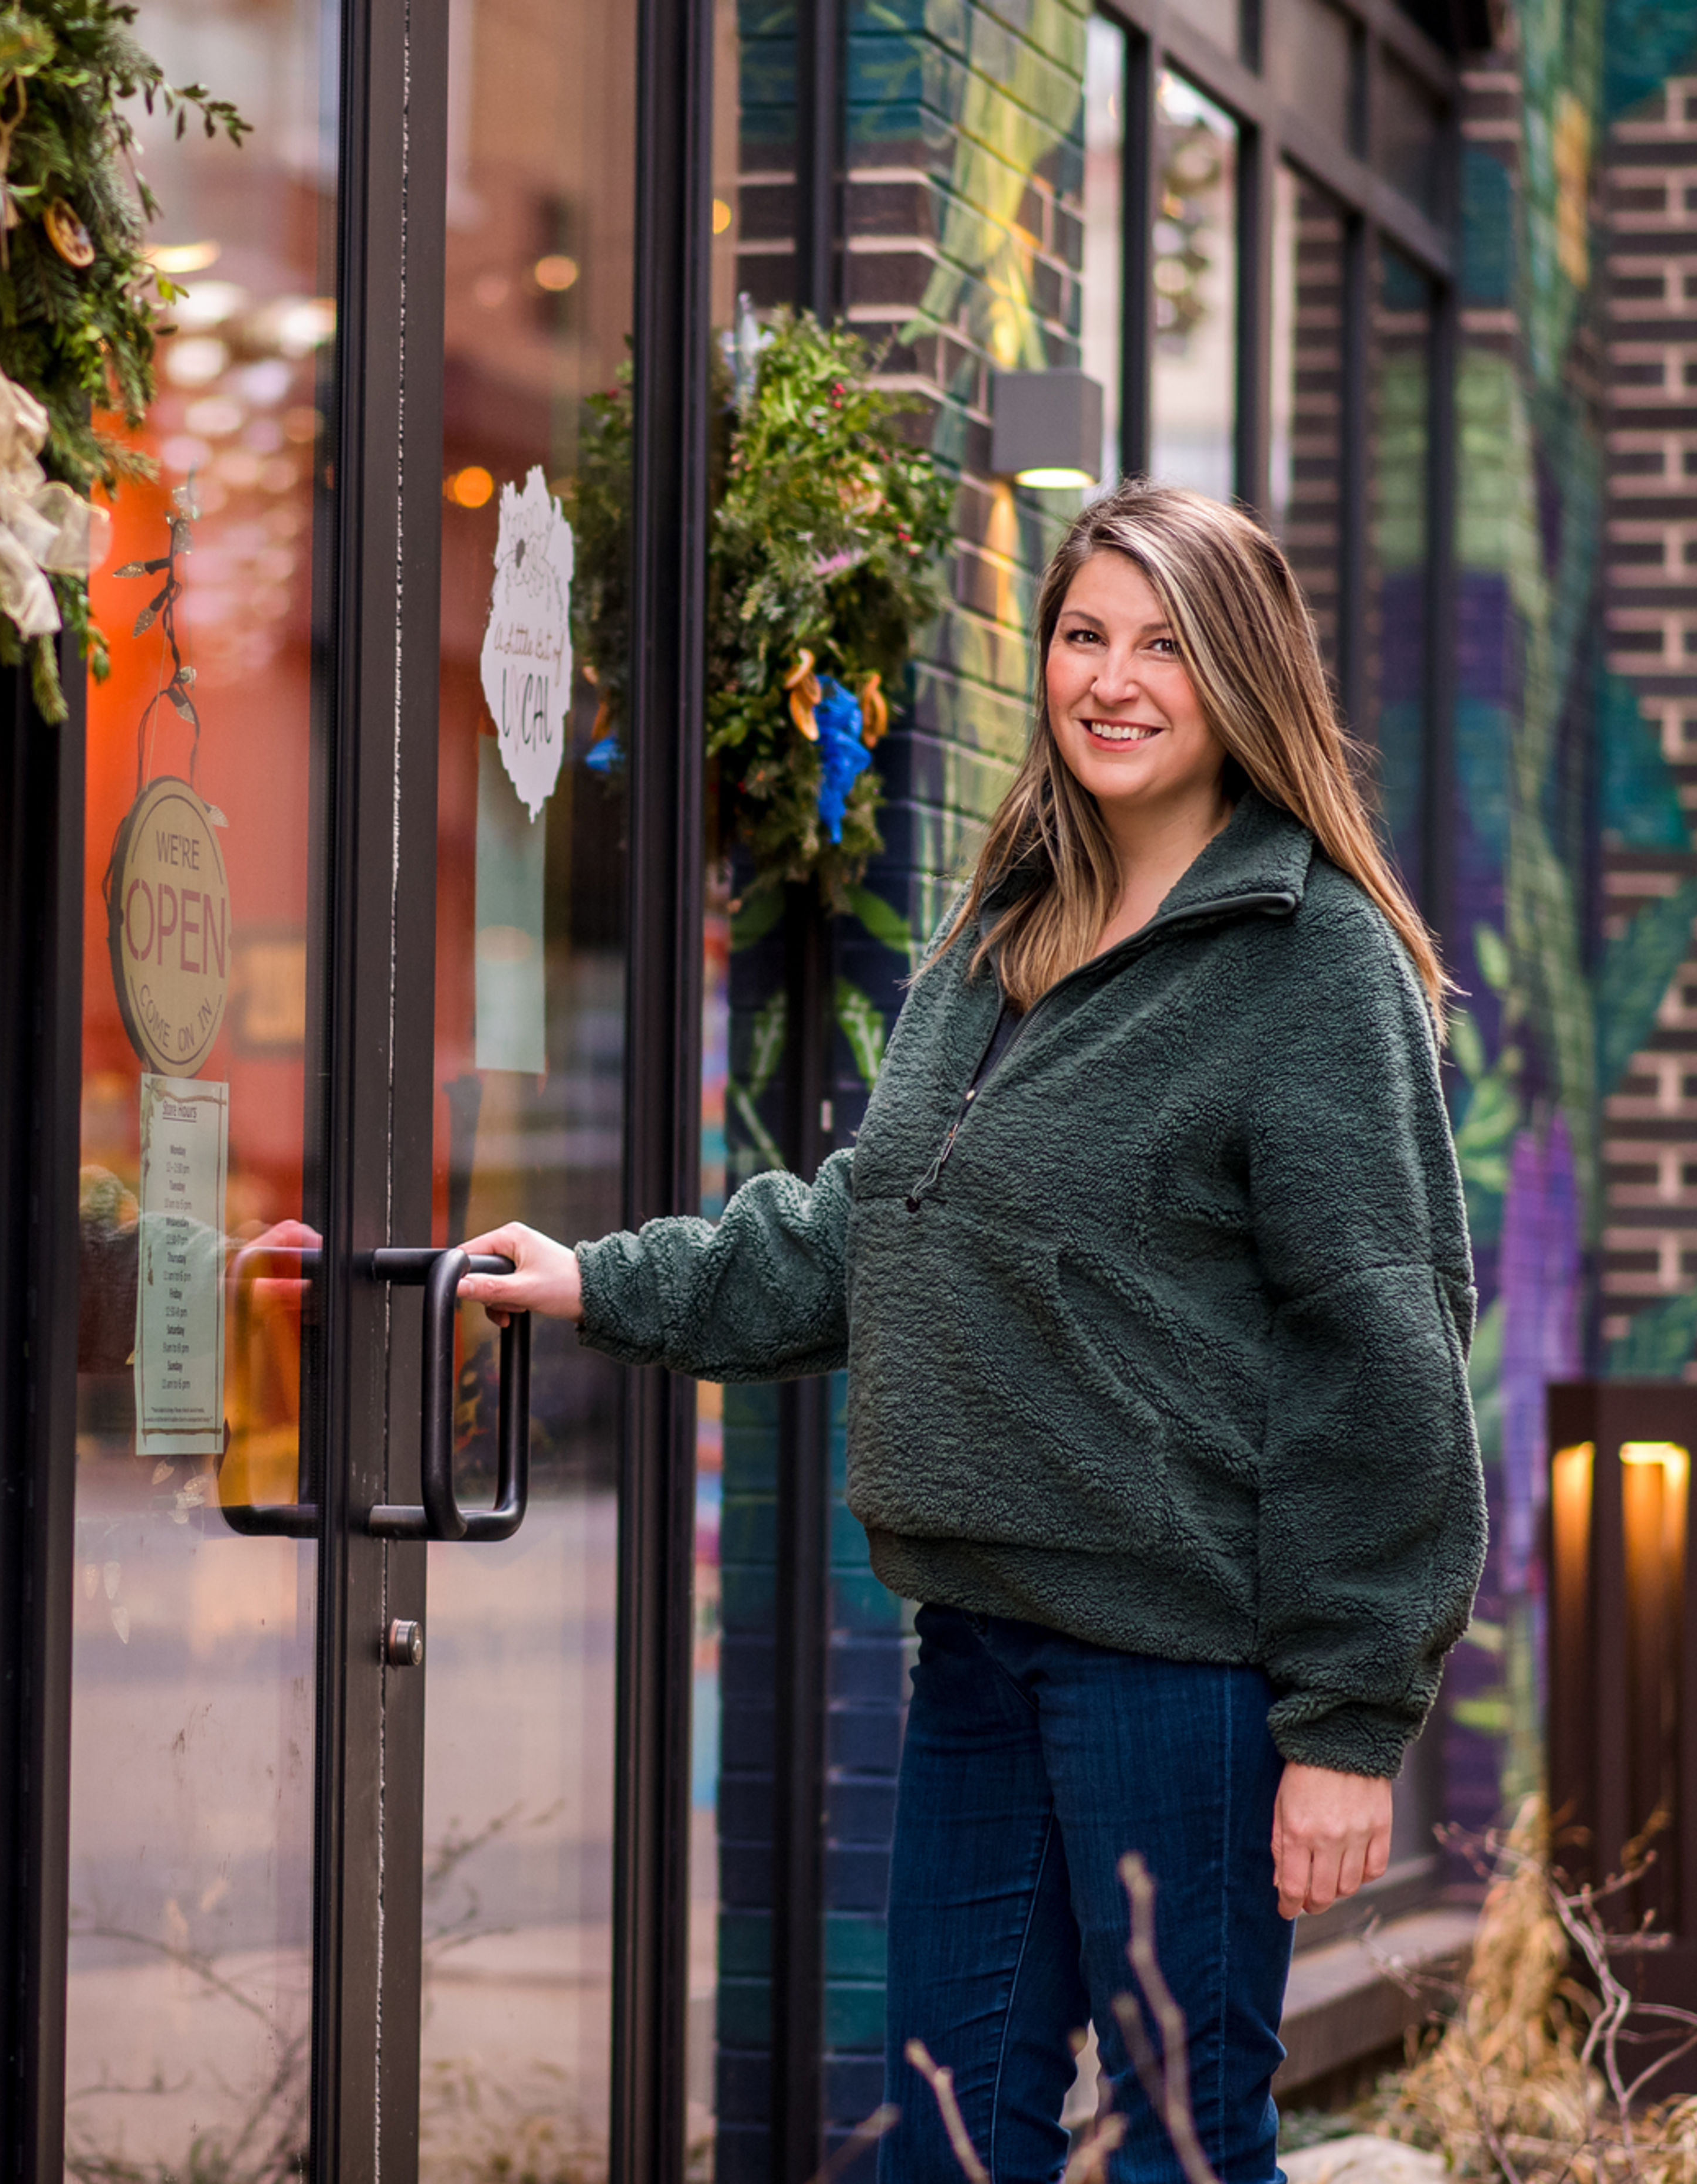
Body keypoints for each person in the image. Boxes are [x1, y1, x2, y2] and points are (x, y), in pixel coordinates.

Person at [462, 484, 1486, 2183]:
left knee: (1176, 2144)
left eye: (1164, 645)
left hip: (1180, 1669)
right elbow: (872, 1222)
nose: (1112, 679)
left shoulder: (1312, 961)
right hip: (982, 1641)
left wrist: (1347, 1730)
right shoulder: (1006, 927)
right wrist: (599, 1281)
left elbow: (1380, 1342)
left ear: (1241, 675)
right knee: (946, 2134)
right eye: (1083, 635)